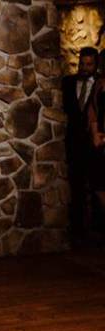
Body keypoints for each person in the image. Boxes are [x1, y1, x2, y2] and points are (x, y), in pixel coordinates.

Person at [62, 47, 99, 243]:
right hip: (74, 142)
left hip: (95, 144)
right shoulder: (67, 83)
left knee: (96, 186)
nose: (85, 68)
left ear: (96, 65)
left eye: (89, 64)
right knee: (75, 186)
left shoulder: (101, 85)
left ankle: (97, 229)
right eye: (82, 64)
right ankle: (77, 231)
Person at [87, 64, 105, 239]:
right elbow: (92, 111)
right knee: (99, 183)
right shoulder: (99, 84)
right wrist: (95, 134)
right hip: (100, 139)